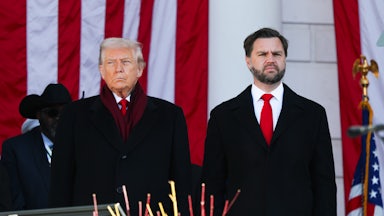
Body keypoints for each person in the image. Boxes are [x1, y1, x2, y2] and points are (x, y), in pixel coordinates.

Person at [200, 28, 336, 216]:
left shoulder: (313, 115)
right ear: (248, 61)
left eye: (277, 54)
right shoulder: (223, 117)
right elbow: (212, 183)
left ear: (285, 59)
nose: (270, 59)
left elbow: (324, 185)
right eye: (263, 54)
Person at [49, 38, 192, 215]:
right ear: (102, 70)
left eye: (126, 62)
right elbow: (60, 182)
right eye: (110, 63)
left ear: (139, 69)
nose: (118, 69)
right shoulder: (75, 115)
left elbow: (182, 182)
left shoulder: (170, 116)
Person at [1, 83, 72, 210]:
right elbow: (13, 202)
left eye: (66, 113)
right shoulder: (17, 149)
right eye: (52, 113)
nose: (59, 119)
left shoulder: (82, 145)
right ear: (39, 115)